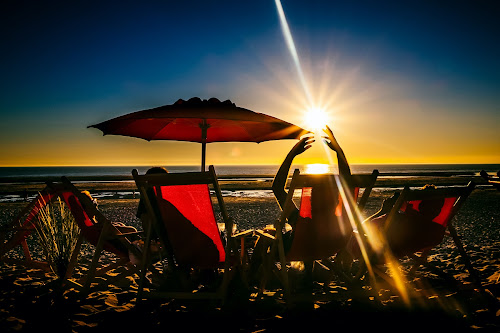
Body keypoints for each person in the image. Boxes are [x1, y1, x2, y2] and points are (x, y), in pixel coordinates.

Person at [349, 184, 447, 260]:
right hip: (402, 249)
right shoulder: (436, 230)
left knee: (350, 236)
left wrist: (383, 211)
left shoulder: (397, 219)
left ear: (420, 204)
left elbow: (362, 228)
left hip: (378, 253)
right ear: (440, 209)